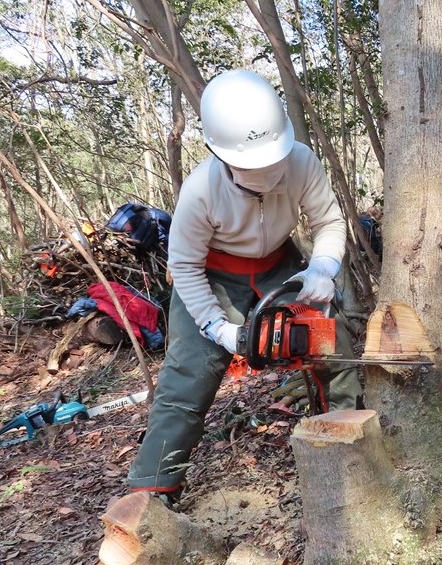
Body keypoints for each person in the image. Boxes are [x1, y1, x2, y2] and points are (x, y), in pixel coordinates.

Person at [127, 69, 360, 501]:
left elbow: (328, 220)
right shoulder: (200, 191)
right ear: (222, 154)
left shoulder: (302, 161)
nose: (268, 171)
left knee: (330, 341)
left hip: (280, 265)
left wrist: (323, 267)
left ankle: (349, 440)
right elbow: (185, 266)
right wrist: (220, 330)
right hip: (212, 278)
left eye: (273, 160)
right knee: (189, 375)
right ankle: (152, 489)